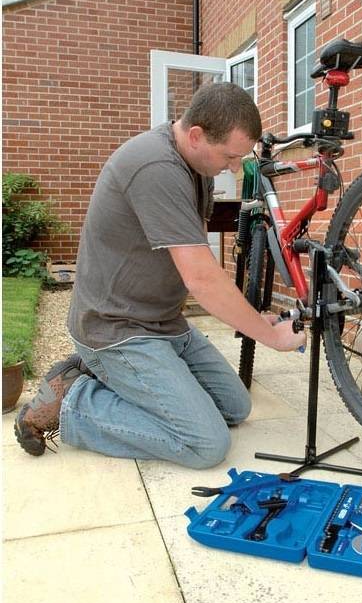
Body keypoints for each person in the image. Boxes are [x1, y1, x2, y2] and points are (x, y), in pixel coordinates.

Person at [15, 82, 306, 466]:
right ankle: (73, 402)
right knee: (205, 444)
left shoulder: (196, 164)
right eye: (230, 157)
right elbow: (201, 278)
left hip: (164, 324)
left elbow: (194, 253)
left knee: (235, 407)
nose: (235, 168)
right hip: (115, 329)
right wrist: (268, 335)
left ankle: (108, 378)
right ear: (197, 135)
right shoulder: (156, 167)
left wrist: (253, 319)